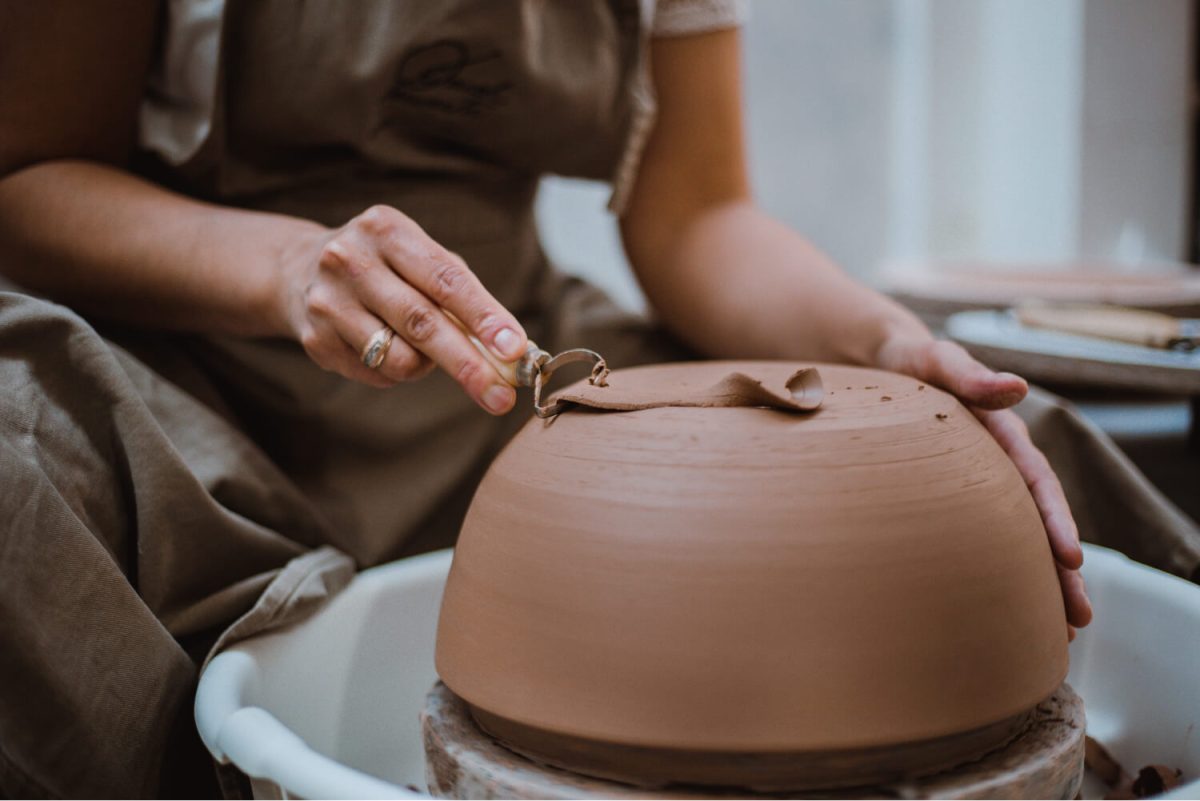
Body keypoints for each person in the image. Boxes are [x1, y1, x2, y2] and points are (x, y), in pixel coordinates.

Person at [0, 0, 1098, 796]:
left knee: (999, 442)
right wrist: (288, 269)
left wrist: (886, 348)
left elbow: (694, 213)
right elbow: (27, 181)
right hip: (190, 368)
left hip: (500, 365)